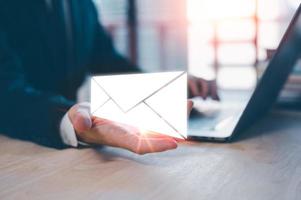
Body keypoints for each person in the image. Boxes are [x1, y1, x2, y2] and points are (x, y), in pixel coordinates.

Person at [0, 0, 218, 154]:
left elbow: (107, 61)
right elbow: (5, 92)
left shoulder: (83, 5)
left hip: (72, 155)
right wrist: (66, 118)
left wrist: (167, 87)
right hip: (18, 147)